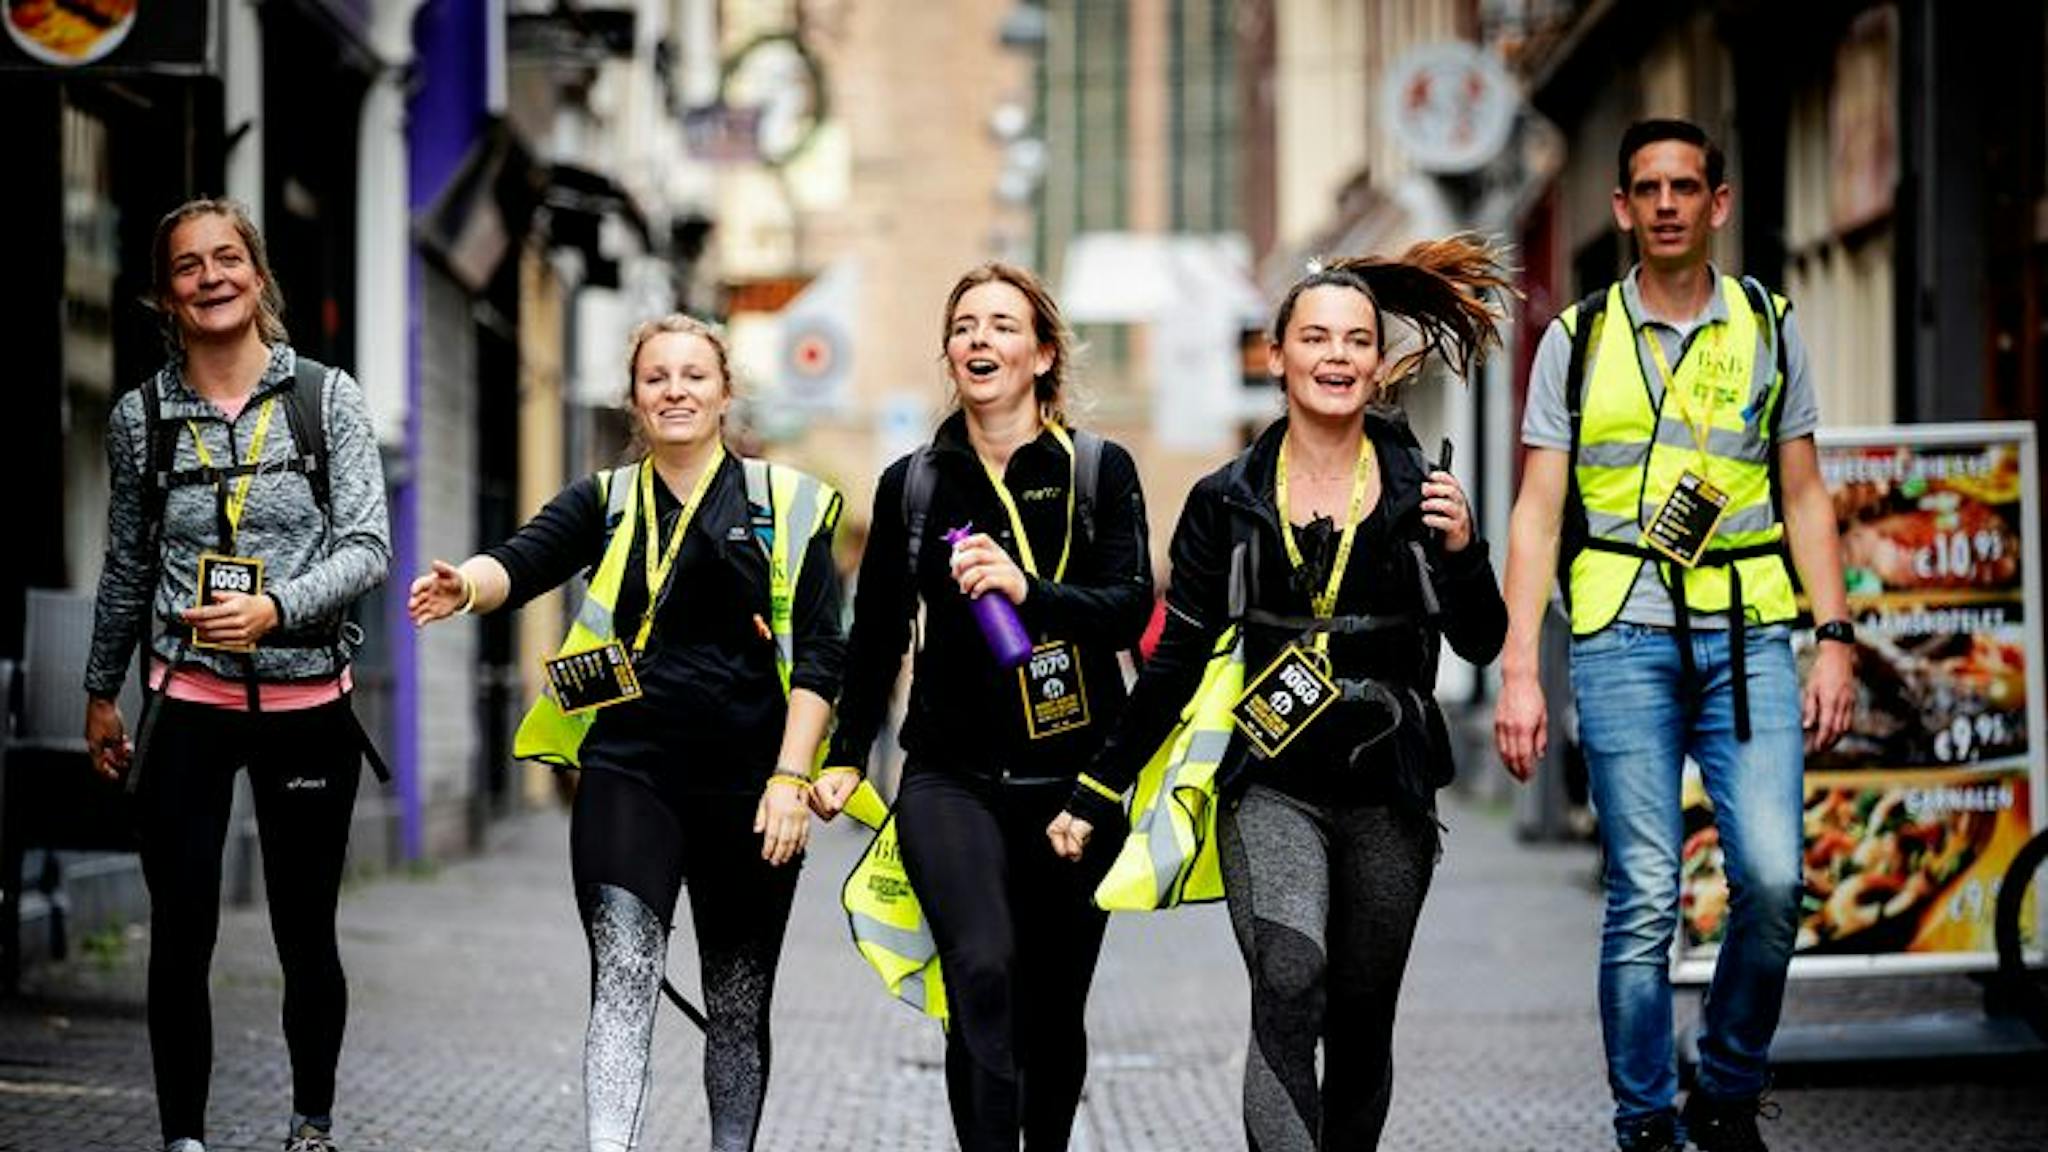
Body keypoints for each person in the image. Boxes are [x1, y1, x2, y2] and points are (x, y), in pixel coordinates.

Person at [1049, 238, 1512, 1151]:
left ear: (1377, 364)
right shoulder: (1227, 500)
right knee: (1290, 980)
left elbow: (1483, 640)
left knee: (1362, 1016)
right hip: (1270, 784)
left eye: (1355, 342)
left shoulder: (1423, 488)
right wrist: (1097, 790)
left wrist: (1464, 553)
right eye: (1316, 339)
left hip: (1390, 785)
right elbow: (1175, 660)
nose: (1336, 357)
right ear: (1278, 356)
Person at [1493, 119, 1855, 1152]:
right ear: (1618, 207)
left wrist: (1831, 635)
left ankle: (1726, 1086)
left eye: (1682, 187)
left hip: (1748, 636)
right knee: (1644, 893)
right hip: (1617, 635)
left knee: (1774, 881)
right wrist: (1520, 669)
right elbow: (1532, 514)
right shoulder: (1576, 340)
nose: (1663, 204)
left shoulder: (1768, 324)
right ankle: (1644, 1121)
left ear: (1717, 203)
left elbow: (1805, 495)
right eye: (1644, 188)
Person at [406, 314, 845, 1152]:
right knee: (624, 976)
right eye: (656, 378)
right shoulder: (603, 502)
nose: (675, 391)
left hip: (752, 789)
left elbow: (826, 655)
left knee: (739, 1002)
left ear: (723, 394)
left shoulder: (786, 505)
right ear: (634, 401)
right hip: (628, 773)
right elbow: (525, 560)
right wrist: (466, 584)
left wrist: (792, 778)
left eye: (693, 376)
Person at [819, 263, 1152, 1151]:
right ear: (948, 352)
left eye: (1003, 325)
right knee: (979, 969)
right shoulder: (915, 484)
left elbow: (1126, 607)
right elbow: (878, 631)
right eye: (965, 325)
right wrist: (846, 751)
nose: (980, 339)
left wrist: (1027, 589)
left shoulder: (1097, 471)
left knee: (1052, 1006)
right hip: (949, 774)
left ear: (1042, 354)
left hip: (1075, 784)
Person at [83, 198, 392, 1152]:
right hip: (186, 707)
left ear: (258, 277)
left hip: (308, 707)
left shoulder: (326, 397)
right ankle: (185, 1139)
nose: (211, 278)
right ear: (164, 294)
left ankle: (310, 1126)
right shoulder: (140, 418)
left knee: (306, 935)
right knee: (181, 935)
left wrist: (277, 607)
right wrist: (101, 690)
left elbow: (369, 546)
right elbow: (128, 564)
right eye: (188, 266)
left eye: (228, 259)